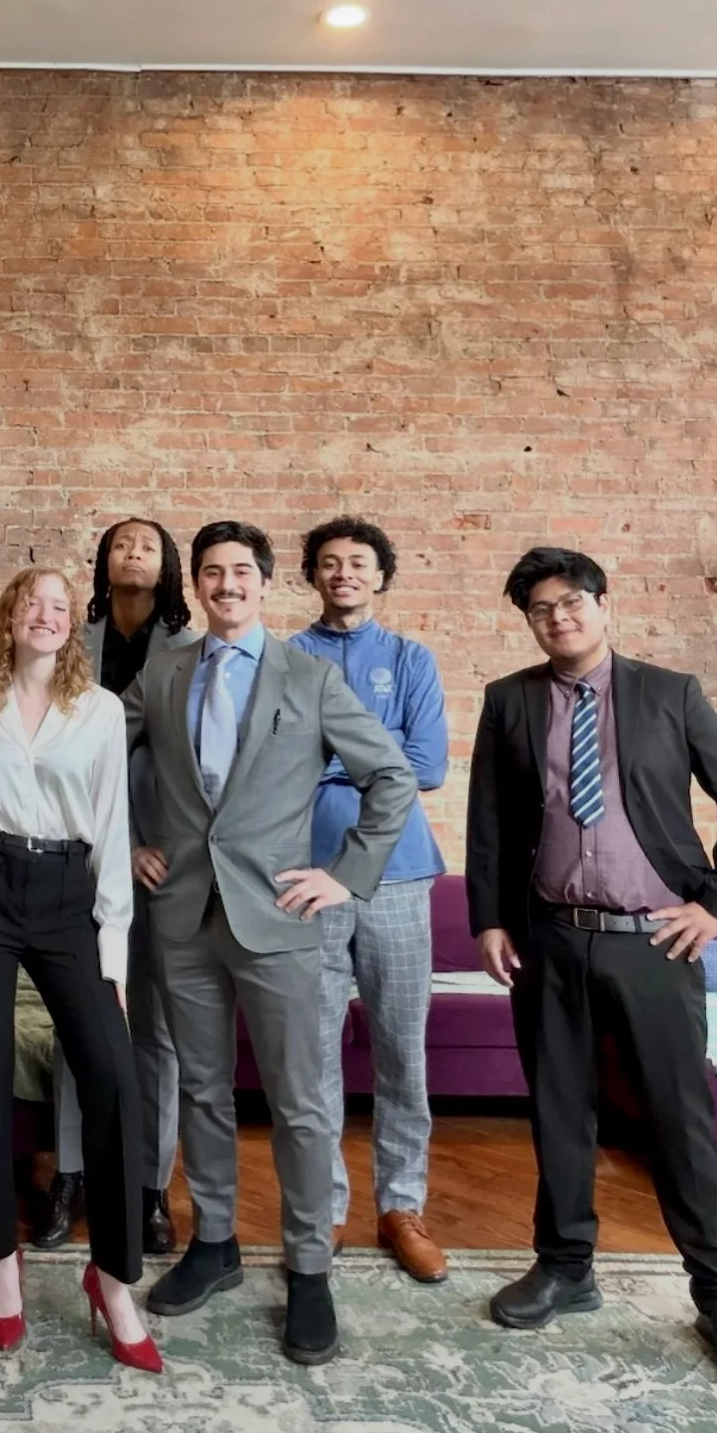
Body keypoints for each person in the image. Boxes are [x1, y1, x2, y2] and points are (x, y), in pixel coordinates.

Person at [468, 546, 717, 1392]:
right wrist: (490, 918)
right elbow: (490, 821)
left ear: (603, 606)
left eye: (571, 602)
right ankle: (566, 1266)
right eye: (540, 610)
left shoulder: (667, 694)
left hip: (655, 941)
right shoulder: (509, 701)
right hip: (551, 938)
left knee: (681, 1121)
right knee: (559, 1110)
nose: (558, 619)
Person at [125, 522, 416, 1366]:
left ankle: (309, 1264)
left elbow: (391, 776)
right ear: (200, 585)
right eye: (211, 572)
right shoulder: (165, 669)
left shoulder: (310, 677)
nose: (226, 585)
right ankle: (213, 1239)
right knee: (203, 1091)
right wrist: (131, 834)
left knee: (301, 1101)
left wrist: (345, 877)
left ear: (265, 583)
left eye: (241, 572)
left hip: (281, 918)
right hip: (182, 913)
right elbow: (99, 749)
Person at [0, 566, 162, 1373]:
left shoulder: (100, 710)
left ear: (74, 624)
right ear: (10, 617)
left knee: (110, 1073)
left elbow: (111, 828)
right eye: (32, 603)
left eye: (61, 606)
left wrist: (113, 957)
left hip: (69, 891)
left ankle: (113, 1279)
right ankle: (2, 1259)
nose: (46, 615)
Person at [290, 515, 451, 1283]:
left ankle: (401, 1204)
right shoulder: (287, 657)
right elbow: (276, 765)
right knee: (314, 1052)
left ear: (380, 576)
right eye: (329, 562)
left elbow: (426, 765)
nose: (343, 573)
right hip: (309, 876)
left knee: (401, 1048)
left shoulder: (411, 658)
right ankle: (321, 1210)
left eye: (358, 562)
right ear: (312, 576)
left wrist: (330, 761)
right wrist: (363, 762)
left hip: (399, 873)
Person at [36, 517, 194, 1256]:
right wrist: (110, 843)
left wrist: (147, 842)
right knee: (81, 1019)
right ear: (102, 561)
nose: (133, 553)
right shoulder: (71, 644)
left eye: (149, 546)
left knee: (153, 1034)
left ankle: (147, 1185)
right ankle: (68, 1175)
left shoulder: (192, 653)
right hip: (79, 852)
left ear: (169, 567)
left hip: (164, 861)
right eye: (121, 544)